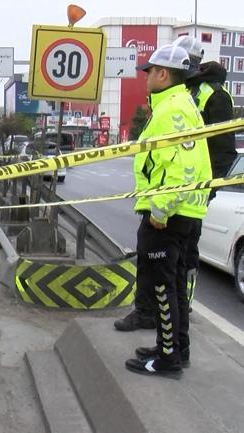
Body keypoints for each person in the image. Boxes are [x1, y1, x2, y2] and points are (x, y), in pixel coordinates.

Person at [123, 44, 212, 378]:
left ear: (163, 74)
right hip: (180, 211)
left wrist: (161, 210)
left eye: (149, 71)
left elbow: (183, 167)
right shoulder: (176, 104)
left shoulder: (172, 109)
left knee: (163, 286)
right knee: (173, 285)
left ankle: (168, 359)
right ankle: (173, 348)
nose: (145, 77)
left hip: (168, 214)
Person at [175, 35, 238, 307]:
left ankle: (183, 306)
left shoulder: (216, 95)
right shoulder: (183, 91)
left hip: (195, 191)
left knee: (186, 252)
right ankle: (159, 308)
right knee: (165, 253)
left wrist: (208, 189)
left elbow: (224, 150)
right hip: (170, 188)